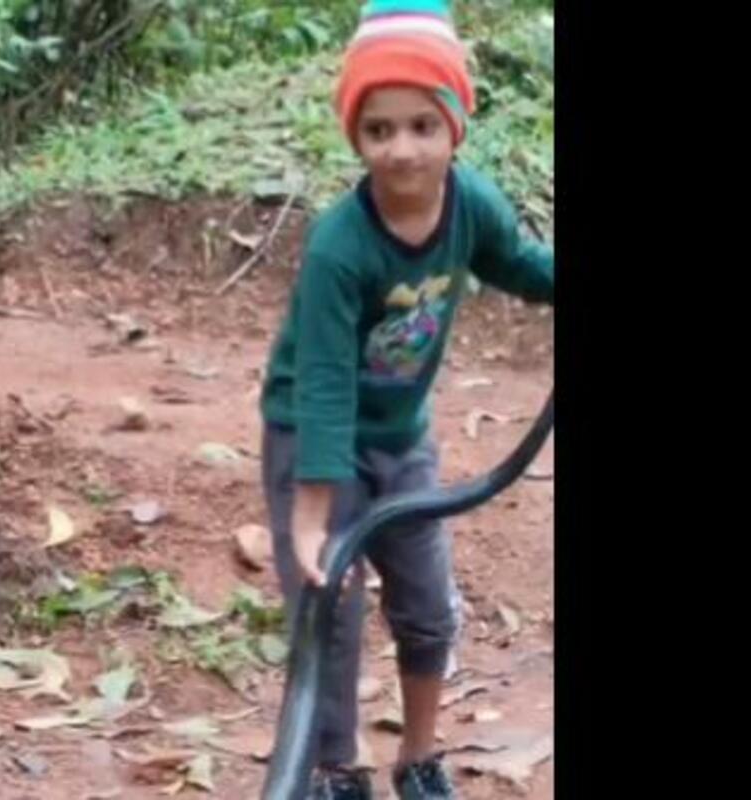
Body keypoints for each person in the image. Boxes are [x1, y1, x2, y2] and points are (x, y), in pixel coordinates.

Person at [258, 1, 554, 797]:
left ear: (455, 124)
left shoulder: (471, 205)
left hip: (400, 437)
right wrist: (314, 507)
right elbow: (323, 380)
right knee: (329, 610)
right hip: (311, 438)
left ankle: (418, 757)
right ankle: (336, 769)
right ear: (355, 135)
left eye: (423, 125)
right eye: (378, 129)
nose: (401, 149)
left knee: (427, 606)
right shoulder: (339, 246)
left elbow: (518, 263)